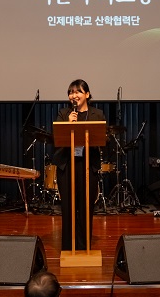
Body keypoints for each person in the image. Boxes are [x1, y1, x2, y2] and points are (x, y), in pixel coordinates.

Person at [51, 79, 105, 251]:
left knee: (86, 207)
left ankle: (84, 246)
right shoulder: (64, 114)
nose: (73, 95)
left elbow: (104, 138)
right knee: (68, 207)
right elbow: (57, 139)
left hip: (88, 165)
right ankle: (68, 246)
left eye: (78, 92)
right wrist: (68, 124)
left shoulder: (97, 114)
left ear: (87, 94)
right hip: (67, 165)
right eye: (71, 92)